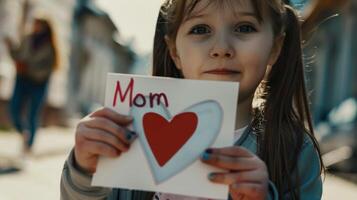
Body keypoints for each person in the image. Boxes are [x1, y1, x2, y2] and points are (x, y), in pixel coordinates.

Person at [61, 0, 324, 199]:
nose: (221, 48)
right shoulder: (129, 133)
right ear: (174, 51)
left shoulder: (295, 153)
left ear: (275, 48)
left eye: (245, 27)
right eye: (200, 29)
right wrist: (84, 169)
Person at [4, 17, 58, 154]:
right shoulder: (27, 39)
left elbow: (48, 68)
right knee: (14, 109)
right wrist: (10, 48)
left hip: (39, 83)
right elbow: (18, 55)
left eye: (38, 24)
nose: (35, 27)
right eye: (34, 24)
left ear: (45, 27)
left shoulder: (50, 46)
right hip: (22, 79)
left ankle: (29, 145)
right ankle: (24, 132)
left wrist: (30, 69)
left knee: (33, 114)